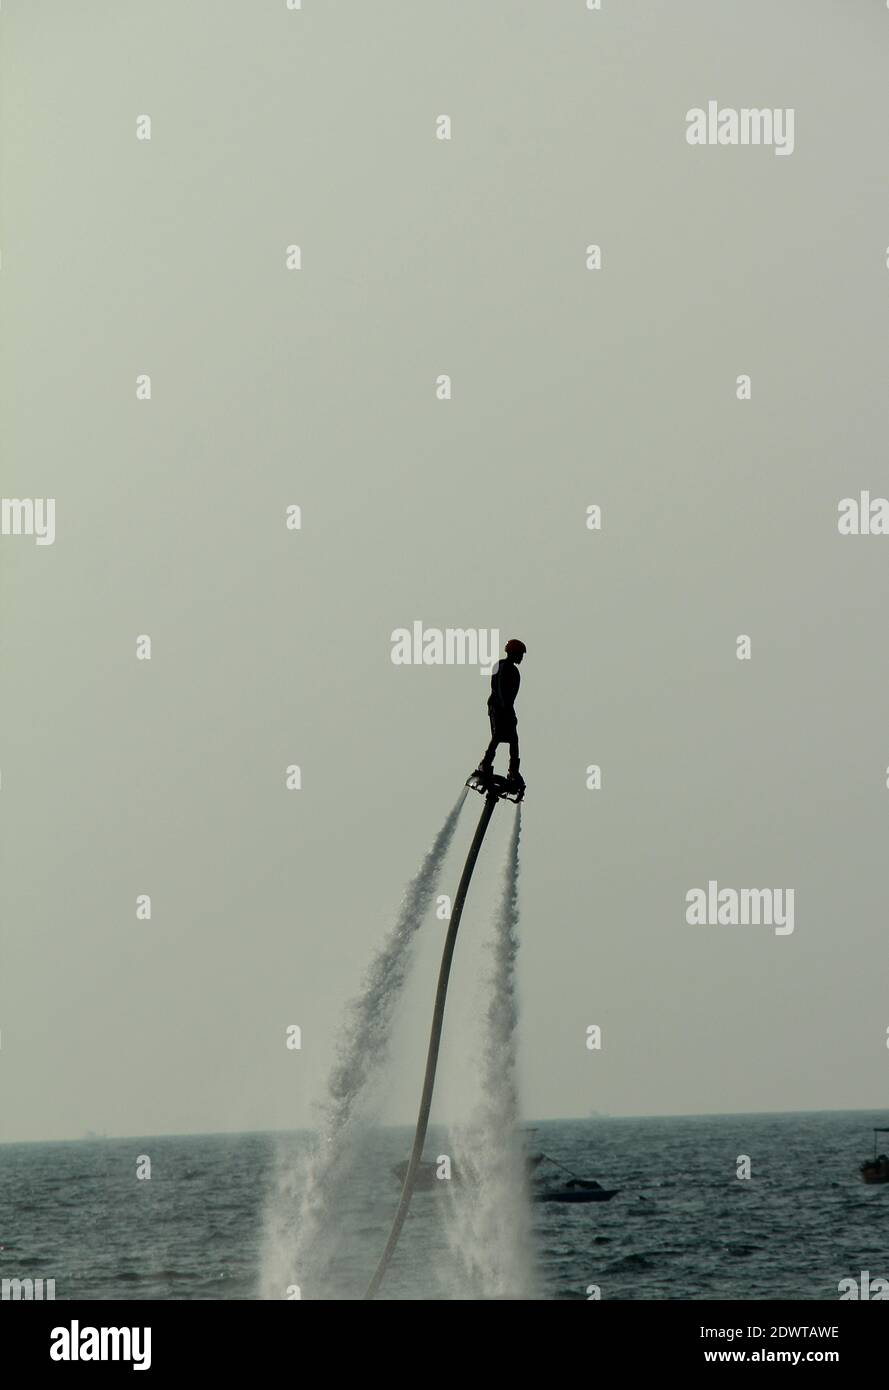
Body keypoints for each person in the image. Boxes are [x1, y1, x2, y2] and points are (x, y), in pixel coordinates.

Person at [476, 638, 526, 785]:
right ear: (513, 653)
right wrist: (504, 708)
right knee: (498, 735)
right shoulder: (502, 666)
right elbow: (498, 689)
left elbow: (511, 697)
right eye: (520, 654)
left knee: (513, 740)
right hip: (497, 708)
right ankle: (485, 764)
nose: (521, 658)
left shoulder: (513, 671)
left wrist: (510, 711)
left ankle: (513, 771)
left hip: (506, 709)